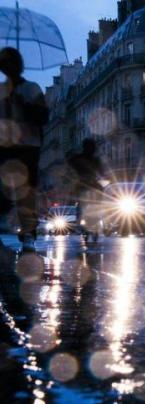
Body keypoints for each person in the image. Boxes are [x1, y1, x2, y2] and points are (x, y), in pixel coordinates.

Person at [0, 48, 48, 252]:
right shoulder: (1, 90)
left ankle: (28, 233)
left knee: (26, 192)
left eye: (11, 62)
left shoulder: (31, 89)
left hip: (27, 147)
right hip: (4, 147)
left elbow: (43, 117)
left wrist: (24, 105)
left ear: (18, 66)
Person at [68, 138, 107, 241]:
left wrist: (104, 179)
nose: (92, 149)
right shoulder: (79, 159)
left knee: (96, 203)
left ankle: (92, 221)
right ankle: (81, 220)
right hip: (83, 186)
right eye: (91, 147)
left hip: (91, 186)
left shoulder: (92, 160)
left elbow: (102, 173)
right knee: (82, 204)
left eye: (92, 147)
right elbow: (70, 170)